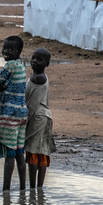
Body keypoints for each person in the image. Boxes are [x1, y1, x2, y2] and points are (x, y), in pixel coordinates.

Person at [0, 36, 29, 192]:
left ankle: (5, 190)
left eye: (10, 49)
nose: (6, 51)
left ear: (19, 51)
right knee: (20, 152)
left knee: (9, 154)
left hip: (9, 115)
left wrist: (2, 85)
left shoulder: (10, 66)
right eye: (4, 48)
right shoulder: (22, 64)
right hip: (21, 113)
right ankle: (22, 188)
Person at [25, 48, 57, 188]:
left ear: (47, 64)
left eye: (39, 59)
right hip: (45, 116)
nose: (34, 61)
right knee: (42, 151)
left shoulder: (37, 78)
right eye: (33, 58)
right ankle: (39, 189)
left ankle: (33, 187)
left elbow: (31, 105)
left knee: (33, 151)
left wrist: (23, 122)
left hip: (37, 117)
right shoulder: (42, 76)